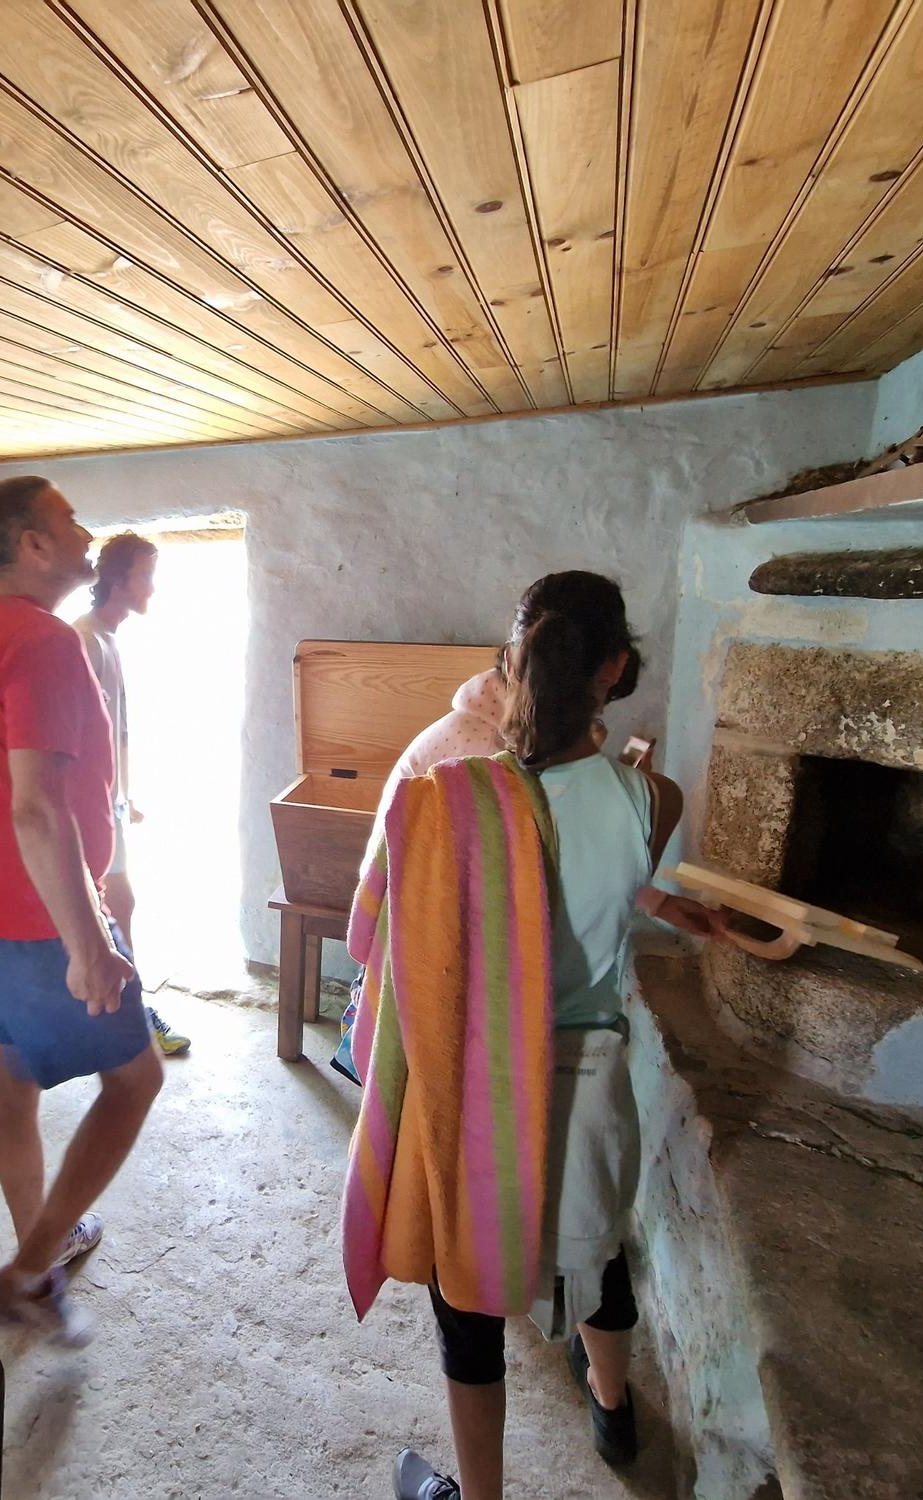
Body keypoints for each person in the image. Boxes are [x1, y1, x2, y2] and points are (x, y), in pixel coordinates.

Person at [364, 573, 723, 1500]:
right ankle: (612, 1407)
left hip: (483, 1086)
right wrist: (660, 902)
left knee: (470, 1293)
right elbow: (591, 878)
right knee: (597, 1255)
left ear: (508, 667)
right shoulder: (658, 800)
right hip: (591, 1082)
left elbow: (413, 950)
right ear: (613, 669)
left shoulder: (451, 802)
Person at [0, 475, 164, 1347]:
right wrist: (90, 943)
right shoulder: (41, 640)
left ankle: (43, 1234)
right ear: (33, 544)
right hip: (39, 924)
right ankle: (30, 1271)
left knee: (16, 1076)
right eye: (69, 519)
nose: (84, 530)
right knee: (136, 1081)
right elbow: (37, 808)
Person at [73, 532, 190, 1057]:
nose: (152, 588)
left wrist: (126, 793)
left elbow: (112, 730)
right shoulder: (83, 639)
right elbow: (69, 737)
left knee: (118, 905)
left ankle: (125, 1012)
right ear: (118, 581)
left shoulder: (109, 638)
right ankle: (131, 1015)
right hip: (88, 807)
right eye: (146, 576)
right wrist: (100, 802)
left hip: (109, 801)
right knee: (110, 907)